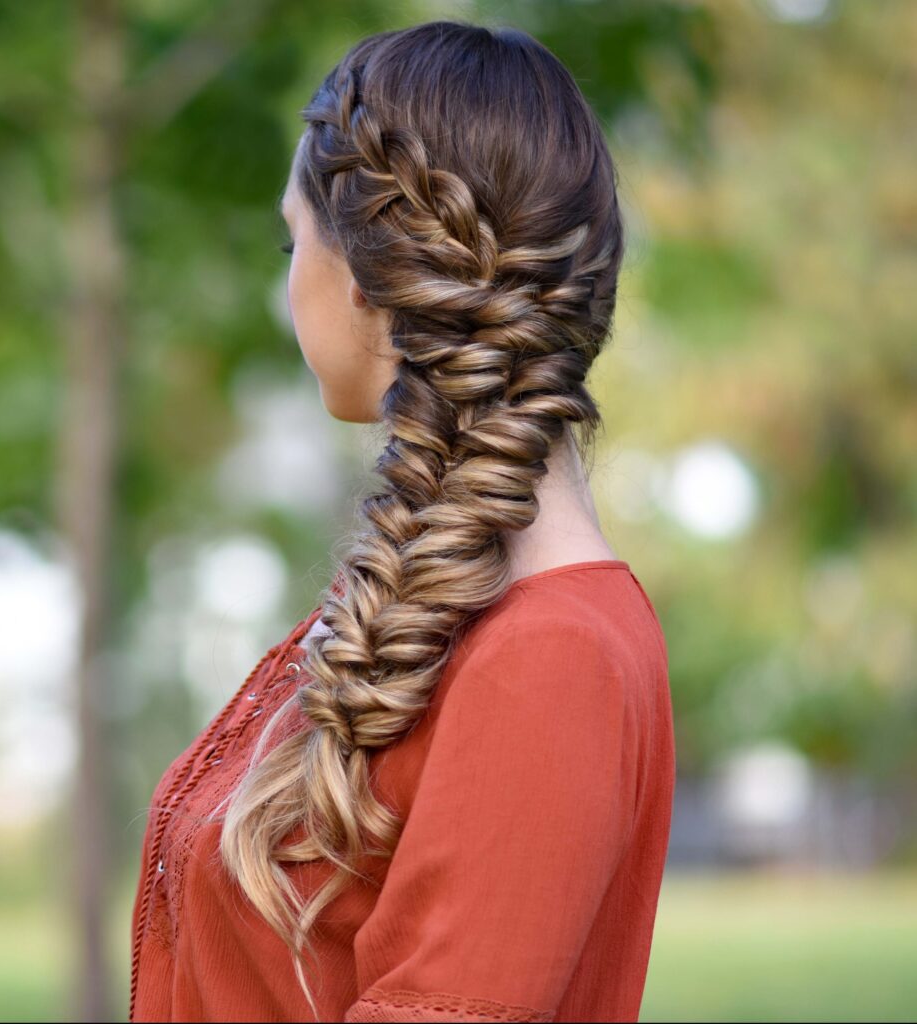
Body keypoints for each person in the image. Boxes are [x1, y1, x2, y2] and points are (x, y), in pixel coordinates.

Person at [129, 19, 675, 1024]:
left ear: (374, 279)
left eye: (293, 242)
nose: (287, 285)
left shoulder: (550, 658)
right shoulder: (426, 609)